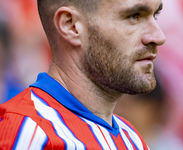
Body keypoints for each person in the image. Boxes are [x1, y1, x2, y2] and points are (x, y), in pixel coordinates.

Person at [0, 0, 166, 149]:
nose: (159, 37)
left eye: (155, 15)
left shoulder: (132, 140)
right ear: (71, 25)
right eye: (134, 16)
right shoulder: (28, 131)